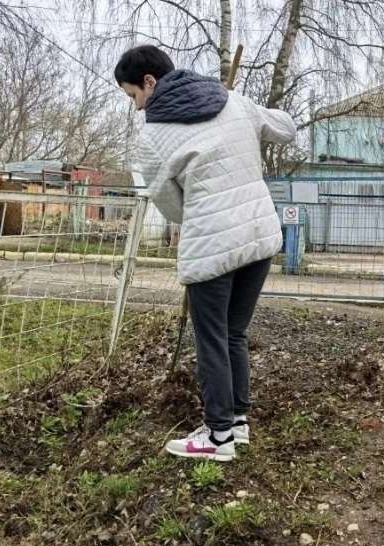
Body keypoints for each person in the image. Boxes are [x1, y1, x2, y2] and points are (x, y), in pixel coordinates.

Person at [115, 45, 296, 462]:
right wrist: (245, 120)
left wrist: (202, 211)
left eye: (133, 97)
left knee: (211, 338)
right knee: (234, 334)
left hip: (212, 246)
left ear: (149, 83)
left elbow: (171, 205)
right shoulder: (233, 100)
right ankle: (237, 423)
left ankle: (217, 437)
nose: (136, 107)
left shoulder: (153, 137)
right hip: (259, 236)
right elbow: (285, 129)